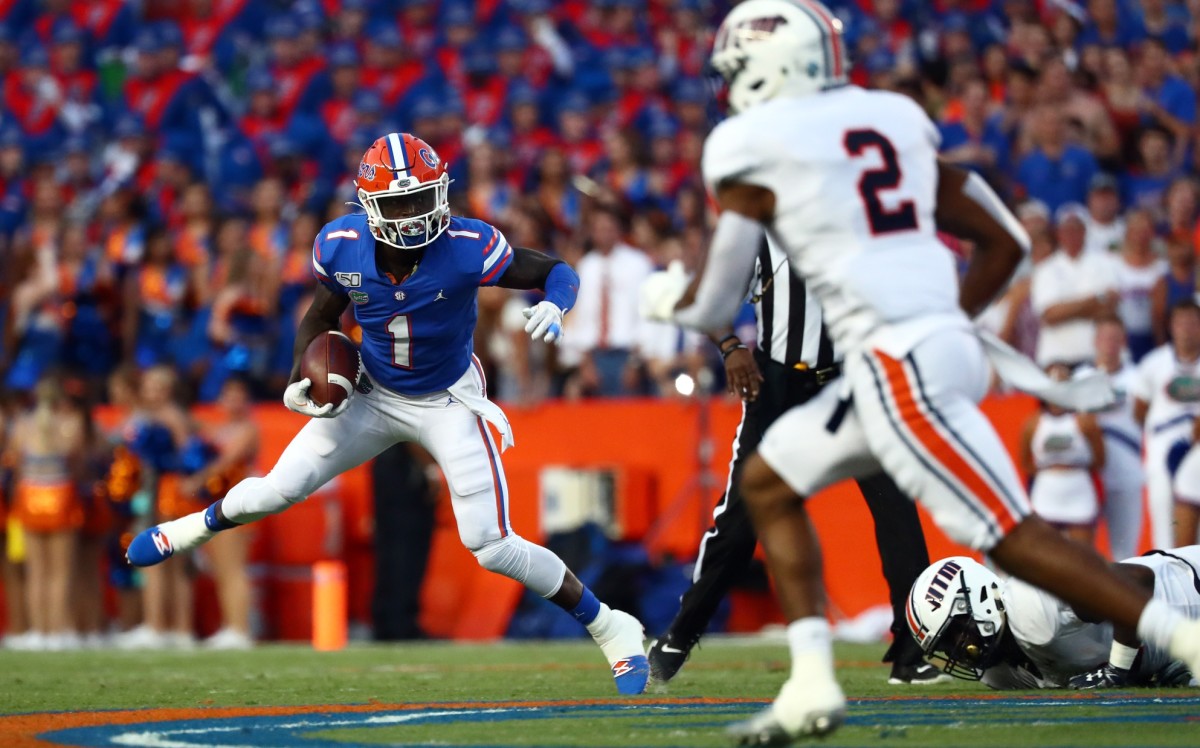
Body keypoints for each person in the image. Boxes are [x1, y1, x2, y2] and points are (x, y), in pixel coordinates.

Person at [640, 2, 1200, 741]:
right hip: (908, 350)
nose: (735, 84)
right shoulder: (893, 123)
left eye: (742, 68)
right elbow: (1004, 242)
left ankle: (1185, 638)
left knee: (1010, 538)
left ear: (782, 68)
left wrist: (663, 299)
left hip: (890, 360)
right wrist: (951, 325)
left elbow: (714, 297)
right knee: (769, 485)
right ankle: (810, 681)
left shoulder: (753, 146)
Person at [126, 131, 650, 694]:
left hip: (448, 399)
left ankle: (610, 626)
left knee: (491, 543)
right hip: (371, 392)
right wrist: (303, 374)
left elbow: (554, 269)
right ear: (371, 207)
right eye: (401, 202)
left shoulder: (467, 243)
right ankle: (186, 530)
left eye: (424, 197)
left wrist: (555, 302)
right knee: (279, 488)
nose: (416, 212)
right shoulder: (341, 245)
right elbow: (320, 316)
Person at [648, 235, 940, 686]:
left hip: (848, 382)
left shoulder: (852, 225)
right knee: (740, 521)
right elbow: (705, 297)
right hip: (779, 385)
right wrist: (729, 345)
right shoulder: (762, 229)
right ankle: (677, 638)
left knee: (896, 506)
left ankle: (911, 650)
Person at [907, 551, 1200, 690]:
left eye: (955, 635)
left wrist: (1117, 670)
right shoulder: (999, 674)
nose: (958, 652)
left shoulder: (1033, 603)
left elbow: (1138, 581)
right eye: (946, 647)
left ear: (978, 599)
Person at [6, 377, 85, 650]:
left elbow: (15, 465)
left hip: (30, 496)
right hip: (59, 495)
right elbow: (76, 461)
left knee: (36, 570)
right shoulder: (70, 425)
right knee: (60, 571)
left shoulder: (22, 426)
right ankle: (55, 632)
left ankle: (39, 631)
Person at [1133, 300, 1200, 551]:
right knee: (1164, 518)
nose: (1187, 329)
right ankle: (1166, 582)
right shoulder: (1154, 363)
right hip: (1162, 445)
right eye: (1181, 322)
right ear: (1171, 326)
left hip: (1197, 448)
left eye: (1193, 323)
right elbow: (1139, 409)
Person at [1017, 363, 1106, 547]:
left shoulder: (1085, 421)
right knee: (1045, 557)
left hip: (1079, 492)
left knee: (1085, 558)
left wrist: (1072, 469)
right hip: (1046, 495)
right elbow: (1026, 463)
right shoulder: (1033, 424)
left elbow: (1100, 459)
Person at [1088, 318, 1146, 561]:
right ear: (1095, 341)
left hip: (1127, 474)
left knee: (1125, 553)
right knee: (1082, 553)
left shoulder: (1139, 378)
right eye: (1105, 338)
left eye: (1115, 338)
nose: (1110, 344)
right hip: (1090, 477)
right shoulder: (1081, 378)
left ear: (1124, 342)